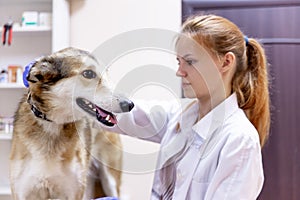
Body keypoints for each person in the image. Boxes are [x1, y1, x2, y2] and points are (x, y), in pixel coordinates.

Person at [96, 14, 270, 200]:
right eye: (179, 62)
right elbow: (127, 115)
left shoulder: (239, 140)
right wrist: (78, 102)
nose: (180, 72)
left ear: (226, 62)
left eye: (190, 61)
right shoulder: (180, 116)